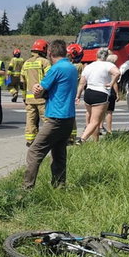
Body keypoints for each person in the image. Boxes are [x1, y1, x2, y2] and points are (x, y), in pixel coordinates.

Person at [23, 39, 78, 189]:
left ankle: (26, 189)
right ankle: (59, 186)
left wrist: (36, 88)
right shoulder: (71, 68)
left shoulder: (56, 69)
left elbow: (39, 91)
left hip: (55, 118)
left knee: (34, 151)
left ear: (50, 53)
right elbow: (59, 90)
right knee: (59, 154)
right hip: (68, 118)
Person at [75, 48, 120, 143]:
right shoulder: (108, 65)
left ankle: (95, 141)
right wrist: (112, 83)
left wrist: (78, 96)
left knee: (92, 119)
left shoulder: (89, 66)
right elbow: (117, 73)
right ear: (107, 56)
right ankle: (82, 139)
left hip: (88, 93)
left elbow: (82, 83)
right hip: (101, 93)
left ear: (97, 56)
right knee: (96, 121)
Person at [20, 39, 51, 145]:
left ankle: (30, 140)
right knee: (47, 120)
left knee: (30, 120)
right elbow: (50, 78)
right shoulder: (45, 62)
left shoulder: (26, 63)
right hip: (42, 98)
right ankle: (49, 139)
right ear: (44, 49)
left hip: (29, 99)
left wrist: (24, 97)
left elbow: (22, 82)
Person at [66, 43, 84, 144]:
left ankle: (70, 136)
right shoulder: (79, 66)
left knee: (69, 115)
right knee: (70, 115)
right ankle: (71, 136)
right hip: (72, 93)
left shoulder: (75, 66)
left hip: (69, 93)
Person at [104, 53, 119, 133]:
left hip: (102, 90)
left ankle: (99, 127)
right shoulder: (112, 68)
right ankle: (109, 130)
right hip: (110, 91)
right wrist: (117, 93)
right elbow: (115, 83)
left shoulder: (103, 67)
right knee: (109, 112)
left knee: (100, 112)